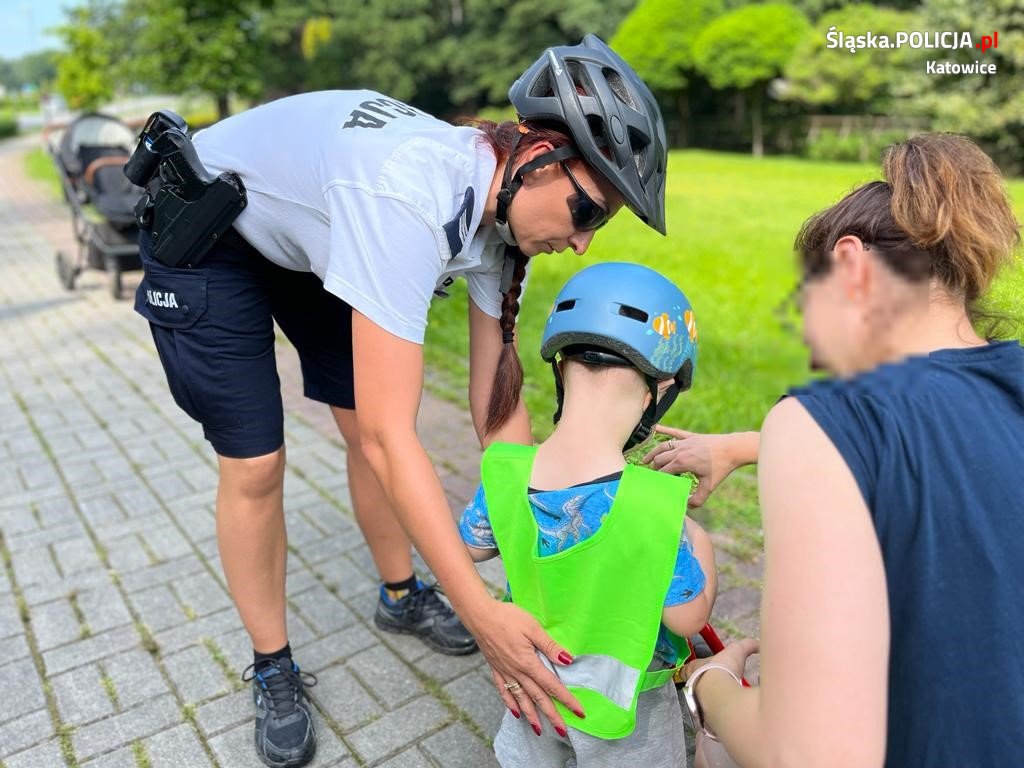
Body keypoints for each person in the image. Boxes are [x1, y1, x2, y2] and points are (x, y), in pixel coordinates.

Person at [132, 34, 669, 768]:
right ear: (538, 156)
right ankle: (272, 664)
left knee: (362, 424)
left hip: (308, 238)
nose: (582, 242)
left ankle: (399, 592)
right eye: (588, 211)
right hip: (210, 235)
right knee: (259, 462)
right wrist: (483, 614)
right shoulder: (407, 199)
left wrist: (553, 532)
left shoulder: (498, 224)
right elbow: (396, 440)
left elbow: (494, 411)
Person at [661, 134, 1024, 767]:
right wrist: (750, 447)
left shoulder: (829, 420)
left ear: (851, 266)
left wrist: (709, 687)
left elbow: (805, 757)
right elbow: (953, 455)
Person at [459, 262, 717, 767]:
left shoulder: (505, 470)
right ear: (659, 391)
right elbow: (688, 618)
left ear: (559, 369)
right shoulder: (655, 506)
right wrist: (696, 538)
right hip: (625, 711)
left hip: (532, 688)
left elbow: (468, 546)